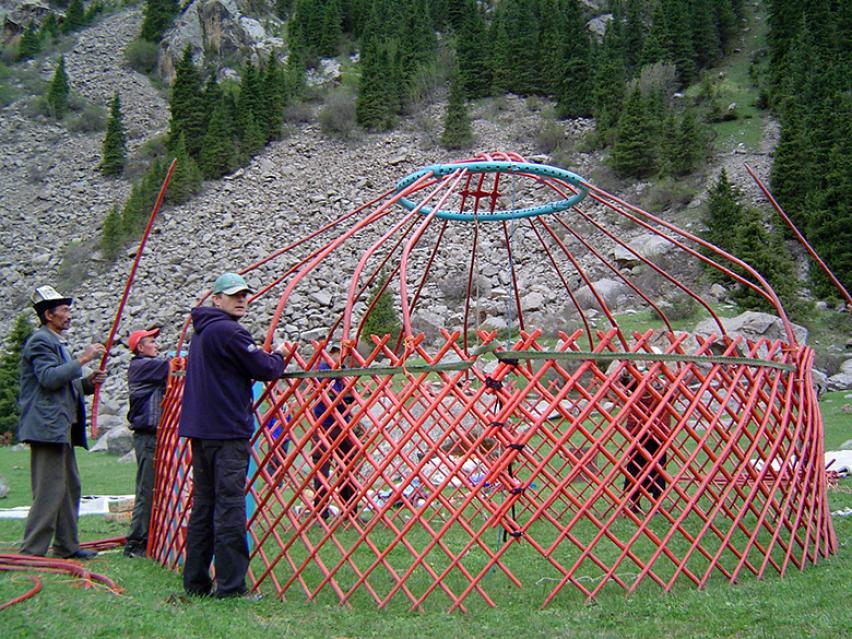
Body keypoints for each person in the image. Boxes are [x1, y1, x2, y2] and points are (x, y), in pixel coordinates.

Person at [178, 272, 287, 599]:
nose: (242, 299)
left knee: (203, 506)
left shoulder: (201, 333)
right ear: (216, 298)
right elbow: (265, 369)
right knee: (229, 508)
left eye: (245, 294)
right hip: (226, 432)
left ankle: (195, 583)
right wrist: (281, 354)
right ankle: (230, 587)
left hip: (201, 431)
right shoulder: (229, 331)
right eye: (234, 295)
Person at [18, 285, 107, 559]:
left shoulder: (56, 343)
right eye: (65, 310)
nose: (69, 315)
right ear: (49, 315)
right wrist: (84, 358)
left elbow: (65, 385)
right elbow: (48, 379)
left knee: (70, 487)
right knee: (49, 490)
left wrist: (87, 384)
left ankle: (67, 546)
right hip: (47, 428)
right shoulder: (40, 342)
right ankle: (32, 550)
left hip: (61, 428)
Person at [123, 327, 170, 558]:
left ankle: (150, 536)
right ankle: (135, 543)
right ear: (140, 347)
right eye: (152, 342)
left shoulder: (148, 366)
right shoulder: (143, 366)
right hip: (147, 436)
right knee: (146, 488)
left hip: (155, 436)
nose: (157, 345)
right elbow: (174, 366)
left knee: (154, 487)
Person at [311, 344, 360, 520]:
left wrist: (342, 397)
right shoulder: (321, 370)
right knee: (321, 468)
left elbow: (352, 396)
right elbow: (329, 397)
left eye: (342, 353)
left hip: (343, 425)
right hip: (323, 424)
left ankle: (350, 510)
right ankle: (321, 512)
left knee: (348, 465)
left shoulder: (345, 371)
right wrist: (342, 397)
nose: (340, 356)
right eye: (336, 353)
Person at [620, 367, 670, 515]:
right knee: (635, 469)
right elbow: (621, 382)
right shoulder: (636, 386)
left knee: (658, 470)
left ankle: (656, 503)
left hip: (657, 433)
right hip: (639, 432)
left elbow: (673, 387)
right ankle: (635, 504)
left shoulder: (663, 389)